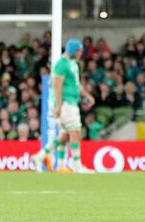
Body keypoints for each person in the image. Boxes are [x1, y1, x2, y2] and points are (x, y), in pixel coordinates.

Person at [30, 39, 96, 174]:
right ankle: (77, 166)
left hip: (70, 102)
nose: (80, 54)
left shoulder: (73, 64)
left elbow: (76, 85)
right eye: (80, 51)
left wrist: (87, 96)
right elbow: (57, 87)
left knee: (64, 135)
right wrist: (59, 106)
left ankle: (42, 158)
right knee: (76, 132)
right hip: (65, 103)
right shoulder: (61, 65)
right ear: (75, 51)